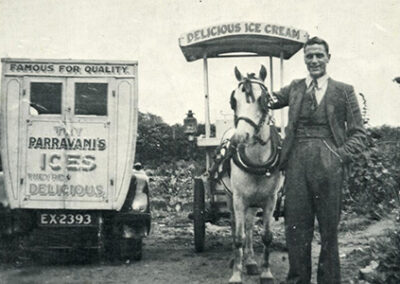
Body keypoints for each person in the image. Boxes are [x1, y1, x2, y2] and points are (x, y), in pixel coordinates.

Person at [268, 36, 367, 284]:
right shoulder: (295, 87)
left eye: (319, 55)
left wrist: (338, 156)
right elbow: (266, 100)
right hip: (297, 164)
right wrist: (249, 87)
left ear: (328, 58)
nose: (314, 60)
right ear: (304, 59)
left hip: (329, 166)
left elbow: (359, 134)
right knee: (296, 231)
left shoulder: (344, 91)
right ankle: (297, 280)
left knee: (329, 232)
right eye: (309, 56)